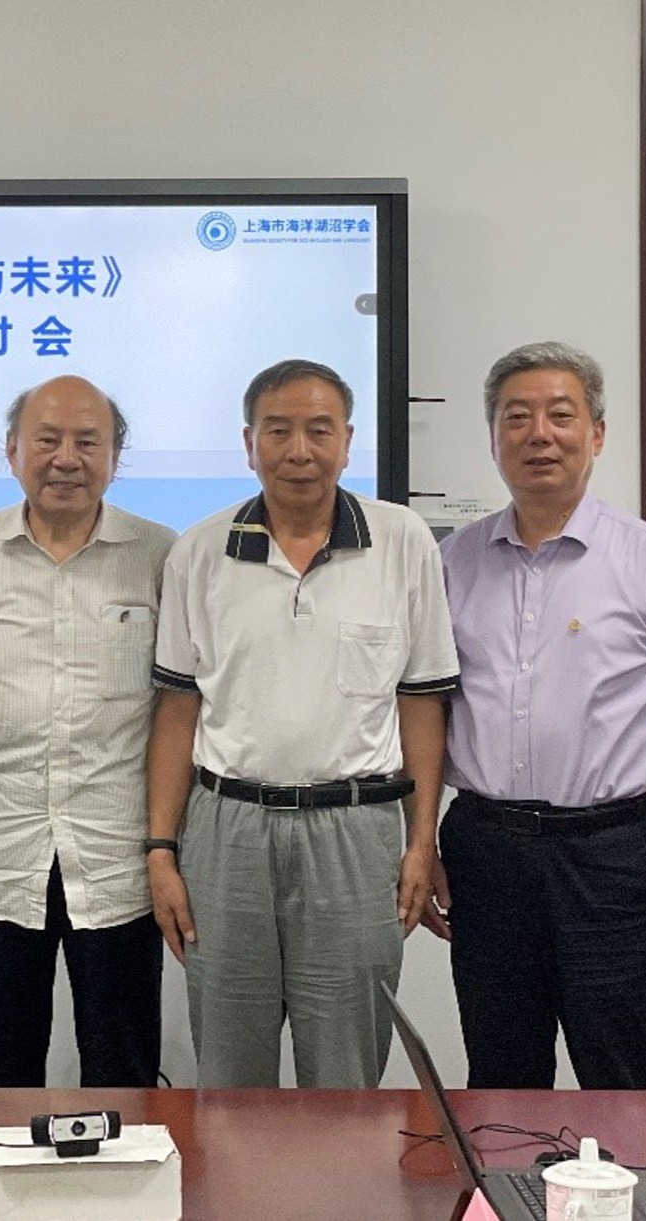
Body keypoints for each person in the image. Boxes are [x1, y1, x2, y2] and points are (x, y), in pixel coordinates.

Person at [145, 358, 458, 1088]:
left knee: (346, 1072)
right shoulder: (199, 551)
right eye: (278, 431)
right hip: (227, 831)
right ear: (248, 442)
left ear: (347, 441)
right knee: (229, 1070)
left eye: (319, 430)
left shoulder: (403, 540)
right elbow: (178, 710)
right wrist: (161, 850)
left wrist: (421, 841)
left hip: (356, 831)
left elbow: (420, 702)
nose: (299, 451)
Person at [438, 342, 646, 1090]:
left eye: (561, 416)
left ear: (597, 433)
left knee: (622, 1069)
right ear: (493, 438)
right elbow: (426, 713)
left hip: (612, 851)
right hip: (485, 847)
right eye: (517, 418)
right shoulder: (451, 562)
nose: (539, 434)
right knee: (501, 1072)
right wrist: (420, 845)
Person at [0, 375, 175, 1088]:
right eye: (47, 440)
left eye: (87, 442)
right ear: (12, 450)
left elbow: (179, 709)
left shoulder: (160, 555)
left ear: (115, 457)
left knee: (125, 1075)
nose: (65, 459)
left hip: (120, 861)